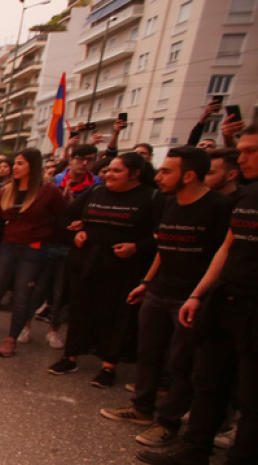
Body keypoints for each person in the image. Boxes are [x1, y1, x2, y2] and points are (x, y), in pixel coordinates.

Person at [136, 124, 258, 465]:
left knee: (251, 396)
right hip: (223, 300)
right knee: (208, 380)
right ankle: (195, 450)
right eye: (242, 149)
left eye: (252, 150)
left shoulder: (223, 203)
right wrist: (199, 294)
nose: (242, 158)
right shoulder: (247, 199)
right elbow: (226, 250)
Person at [99, 147, 233, 446]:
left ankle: (168, 423)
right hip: (159, 290)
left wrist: (199, 294)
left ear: (188, 175)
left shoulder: (219, 206)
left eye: (166, 171)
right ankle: (141, 408)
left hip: (192, 296)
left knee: (181, 363)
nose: (158, 176)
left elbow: (223, 255)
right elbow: (163, 244)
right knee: (149, 353)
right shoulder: (168, 203)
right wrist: (147, 281)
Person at [48, 153, 161, 387]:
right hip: (86, 263)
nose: (108, 175)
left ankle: (109, 366)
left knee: (116, 315)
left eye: (117, 171)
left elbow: (161, 235)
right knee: (79, 310)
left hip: (123, 269)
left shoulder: (151, 197)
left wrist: (137, 247)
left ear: (135, 174)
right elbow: (66, 216)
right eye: (108, 170)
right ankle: (70, 357)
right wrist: (75, 233)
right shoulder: (96, 192)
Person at [0, 149, 68, 357]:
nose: (15, 167)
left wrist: (47, 237)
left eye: (20, 163)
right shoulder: (6, 191)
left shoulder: (48, 191)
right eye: (15, 163)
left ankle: (11, 338)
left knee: (22, 296)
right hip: (8, 246)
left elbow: (64, 218)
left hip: (34, 249)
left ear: (32, 166)